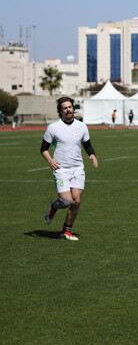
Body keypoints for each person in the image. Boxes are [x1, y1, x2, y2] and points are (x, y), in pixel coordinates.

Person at [41, 97, 99, 241]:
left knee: (76, 201)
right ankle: (54, 206)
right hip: (61, 169)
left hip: (78, 168)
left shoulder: (82, 126)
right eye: (65, 108)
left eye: (70, 107)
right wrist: (50, 160)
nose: (68, 110)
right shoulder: (53, 127)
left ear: (73, 108)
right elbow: (43, 149)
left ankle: (66, 231)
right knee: (66, 201)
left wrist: (92, 154)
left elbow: (87, 144)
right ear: (60, 111)